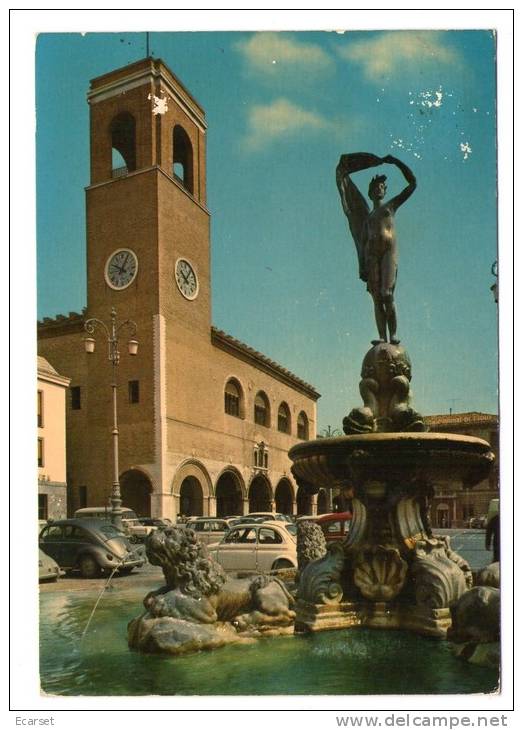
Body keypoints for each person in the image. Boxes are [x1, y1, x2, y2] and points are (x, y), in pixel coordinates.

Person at [336, 153, 417, 344]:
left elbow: (412, 184)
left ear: (385, 191)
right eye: (375, 187)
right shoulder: (368, 218)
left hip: (389, 253)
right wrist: (362, 264)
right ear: (371, 192)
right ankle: (382, 336)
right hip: (372, 256)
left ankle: (393, 334)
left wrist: (396, 161)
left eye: (381, 187)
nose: (379, 190)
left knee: (387, 294)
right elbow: (362, 242)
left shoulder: (390, 207)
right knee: (376, 299)